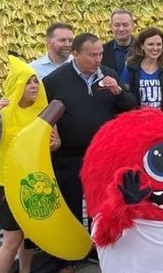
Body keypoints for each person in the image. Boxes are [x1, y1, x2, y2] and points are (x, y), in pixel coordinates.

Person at [43, 33, 136, 272]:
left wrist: (118, 92)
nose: (97, 59)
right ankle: (68, 259)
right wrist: (53, 133)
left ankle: (100, 248)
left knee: (101, 206)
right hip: (69, 156)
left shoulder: (109, 75)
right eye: (92, 55)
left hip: (102, 156)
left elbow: (130, 107)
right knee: (70, 205)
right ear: (75, 53)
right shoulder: (55, 80)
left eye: (100, 54)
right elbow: (44, 115)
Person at [0, 56, 60, 273]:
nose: (34, 86)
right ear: (17, 85)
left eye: (36, 81)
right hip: (7, 184)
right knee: (12, 239)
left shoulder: (43, 112)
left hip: (34, 181)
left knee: (29, 234)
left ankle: (25, 271)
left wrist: (55, 144)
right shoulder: (3, 115)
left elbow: (53, 144)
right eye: (28, 82)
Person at [119, 26, 163, 114]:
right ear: (142, 46)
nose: (155, 48)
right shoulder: (130, 68)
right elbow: (125, 99)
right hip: (138, 123)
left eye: (159, 44)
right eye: (150, 44)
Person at [102, 9, 135, 74]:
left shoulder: (143, 50)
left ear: (132, 26)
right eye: (117, 25)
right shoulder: (102, 51)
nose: (121, 29)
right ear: (111, 27)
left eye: (125, 25)